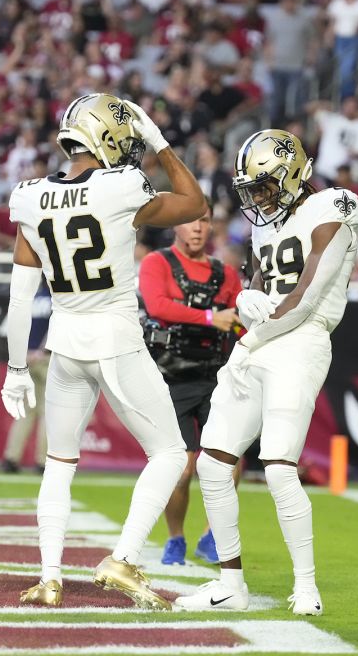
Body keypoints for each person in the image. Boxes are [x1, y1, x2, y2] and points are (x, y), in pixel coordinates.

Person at [1, 94, 206, 609]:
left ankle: (50, 578)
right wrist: (159, 143)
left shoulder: (28, 195)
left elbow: (19, 297)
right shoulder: (122, 185)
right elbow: (194, 203)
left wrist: (15, 368)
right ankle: (125, 558)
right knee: (170, 452)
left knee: (58, 462)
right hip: (114, 337)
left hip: (64, 342)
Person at [174, 128, 358, 616]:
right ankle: (230, 582)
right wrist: (245, 297)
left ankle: (306, 586)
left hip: (300, 341)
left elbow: (304, 298)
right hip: (262, 339)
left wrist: (251, 335)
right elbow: (263, 281)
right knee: (214, 464)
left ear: (295, 174)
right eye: (250, 188)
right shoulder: (266, 223)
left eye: (264, 186)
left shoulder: (333, 208)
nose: (258, 198)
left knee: (279, 468)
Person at [138, 204, 244, 566]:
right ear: (174, 226)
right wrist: (212, 317)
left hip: (217, 376)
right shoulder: (157, 263)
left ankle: (212, 536)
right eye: (188, 220)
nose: (197, 228)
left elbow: (241, 322)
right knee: (181, 467)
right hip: (171, 378)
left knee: (230, 462)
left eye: (203, 220)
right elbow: (157, 307)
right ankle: (175, 538)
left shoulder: (226, 273)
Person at [0, 276, 52, 474]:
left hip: (26, 358)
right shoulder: (55, 298)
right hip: (45, 359)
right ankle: (43, 461)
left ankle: (12, 458)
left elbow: (17, 325)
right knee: (47, 413)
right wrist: (42, 351)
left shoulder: (31, 298)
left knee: (25, 413)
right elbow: (55, 326)